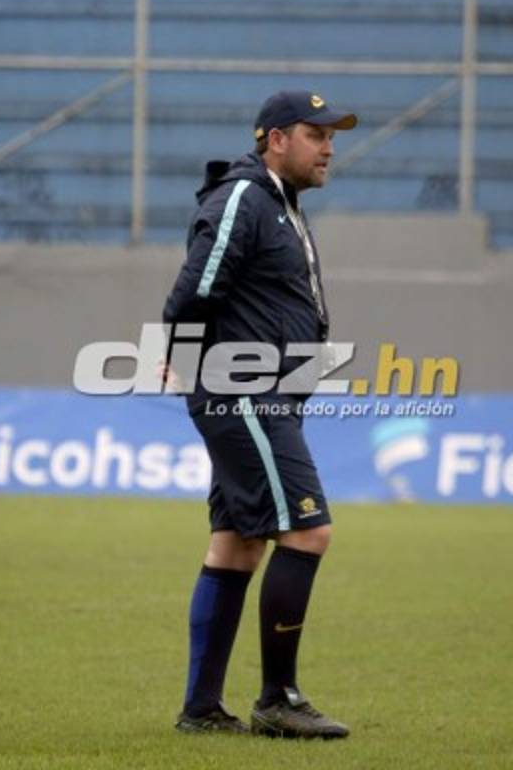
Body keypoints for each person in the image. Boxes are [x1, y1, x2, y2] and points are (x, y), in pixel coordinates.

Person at [162, 89, 357, 739]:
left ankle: (202, 709)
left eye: (332, 135)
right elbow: (193, 288)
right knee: (308, 531)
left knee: (238, 542)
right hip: (242, 393)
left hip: (264, 394)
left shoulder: (281, 203)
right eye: (315, 133)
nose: (329, 146)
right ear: (275, 138)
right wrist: (184, 358)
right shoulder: (246, 197)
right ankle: (278, 698)